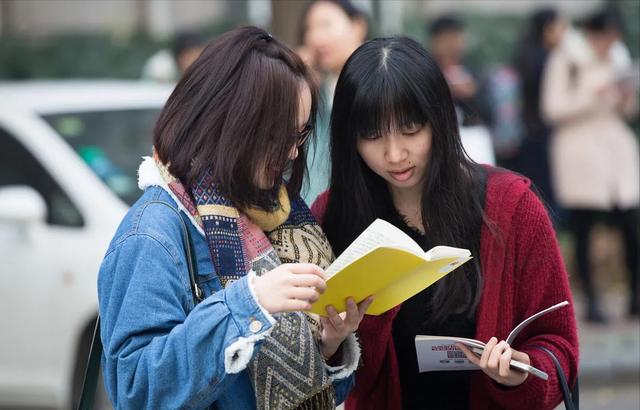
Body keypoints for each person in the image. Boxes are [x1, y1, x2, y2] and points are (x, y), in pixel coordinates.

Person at [98, 26, 372, 409]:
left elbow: (314, 393)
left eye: (300, 135)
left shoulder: (278, 212)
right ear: (232, 123)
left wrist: (327, 344)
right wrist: (247, 303)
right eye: (281, 137)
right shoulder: (153, 232)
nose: (293, 154)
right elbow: (138, 391)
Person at [311, 37, 578, 409]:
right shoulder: (331, 215)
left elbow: (558, 344)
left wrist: (521, 371)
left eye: (410, 130)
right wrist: (330, 344)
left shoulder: (511, 206)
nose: (394, 154)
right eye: (372, 135)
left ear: (438, 119)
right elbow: (314, 366)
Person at [542, 7, 639, 322]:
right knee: (583, 227)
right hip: (580, 152)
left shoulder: (619, 57)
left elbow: (628, 112)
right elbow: (552, 108)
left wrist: (624, 95)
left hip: (614, 148)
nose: (609, 44)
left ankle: (635, 296)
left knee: (630, 224)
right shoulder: (566, 58)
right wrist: (592, 93)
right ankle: (590, 302)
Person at [299, 0, 368, 205]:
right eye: (309, 29)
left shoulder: (375, 82)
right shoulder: (319, 87)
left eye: (325, 25)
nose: (316, 38)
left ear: (357, 26)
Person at [507, 8, 567, 220]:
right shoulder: (550, 60)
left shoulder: (524, 55)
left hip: (524, 135)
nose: (564, 33)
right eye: (561, 27)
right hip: (541, 135)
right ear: (547, 29)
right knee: (546, 197)